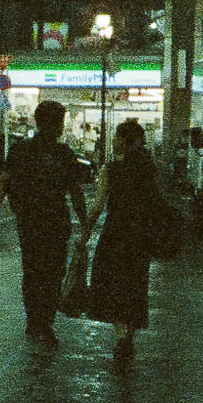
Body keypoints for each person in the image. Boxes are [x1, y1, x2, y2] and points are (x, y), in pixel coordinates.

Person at [0, 98, 88, 343]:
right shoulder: (63, 153)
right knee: (53, 272)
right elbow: (75, 191)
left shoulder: (21, 150)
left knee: (32, 271)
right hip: (55, 222)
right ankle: (45, 322)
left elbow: (4, 180)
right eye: (61, 122)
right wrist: (85, 222)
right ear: (55, 124)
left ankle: (34, 321)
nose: (62, 127)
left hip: (28, 221)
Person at [79, 118, 160, 359]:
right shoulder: (150, 168)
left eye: (115, 138)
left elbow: (97, 206)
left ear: (124, 142)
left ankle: (122, 336)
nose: (113, 143)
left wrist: (85, 232)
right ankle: (130, 336)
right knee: (135, 286)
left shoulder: (111, 170)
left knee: (113, 286)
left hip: (116, 234)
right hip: (141, 237)